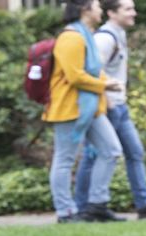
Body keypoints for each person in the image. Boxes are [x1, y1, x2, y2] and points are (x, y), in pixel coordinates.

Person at [73, 0, 146, 220]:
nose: (134, 13)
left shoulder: (118, 34)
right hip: (108, 107)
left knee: (135, 152)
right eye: (128, 9)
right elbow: (91, 72)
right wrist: (106, 101)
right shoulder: (104, 39)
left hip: (119, 106)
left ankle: (144, 203)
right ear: (112, 13)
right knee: (93, 156)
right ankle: (83, 208)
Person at [44, 0, 124, 223]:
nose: (101, 10)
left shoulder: (86, 35)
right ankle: (65, 212)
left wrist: (106, 81)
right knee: (65, 159)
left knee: (111, 150)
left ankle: (97, 206)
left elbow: (93, 70)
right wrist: (105, 86)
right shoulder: (70, 38)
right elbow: (75, 76)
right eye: (97, 6)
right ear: (84, 10)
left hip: (90, 108)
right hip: (70, 108)